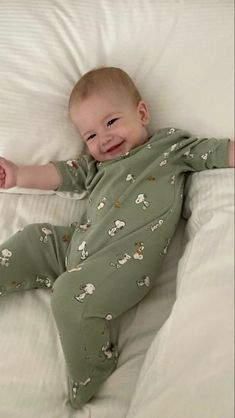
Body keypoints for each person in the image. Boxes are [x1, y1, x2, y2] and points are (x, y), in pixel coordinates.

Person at [0, 67, 234, 408]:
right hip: (78, 247)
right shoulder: (95, 167)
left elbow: (215, 152)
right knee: (34, 238)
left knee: (68, 296)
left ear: (141, 113)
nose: (103, 139)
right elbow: (62, 175)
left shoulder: (169, 148)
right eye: (90, 136)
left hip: (122, 263)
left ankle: (94, 367)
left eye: (111, 122)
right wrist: (19, 174)